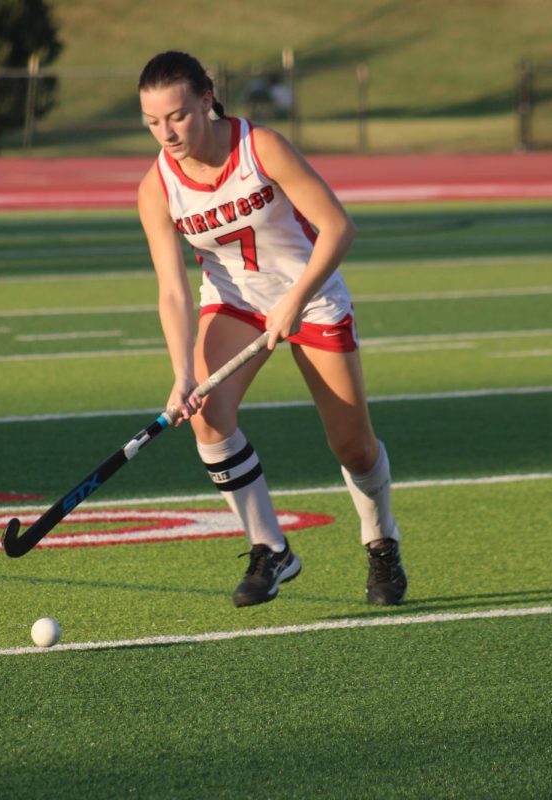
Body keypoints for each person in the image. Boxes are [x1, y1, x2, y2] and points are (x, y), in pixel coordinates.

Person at [136, 51, 407, 608]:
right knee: (208, 417)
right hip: (236, 304)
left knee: (353, 447)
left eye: (178, 116)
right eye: (153, 122)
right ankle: (270, 548)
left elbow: (337, 227)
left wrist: (295, 303)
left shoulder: (261, 148)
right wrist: (182, 373)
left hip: (311, 297)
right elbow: (172, 289)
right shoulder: (157, 187)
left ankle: (381, 541)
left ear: (206, 101)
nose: (167, 132)